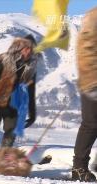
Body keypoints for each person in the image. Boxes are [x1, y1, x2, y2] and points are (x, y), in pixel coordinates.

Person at [0, 35, 37, 151]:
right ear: (20, 48)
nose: (29, 51)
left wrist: (32, 114)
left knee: (10, 133)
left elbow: (31, 91)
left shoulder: (31, 68)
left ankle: (2, 160)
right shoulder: (6, 60)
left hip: (13, 106)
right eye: (26, 48)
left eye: (32, 49)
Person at [71, 7, 97, 182]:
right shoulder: (93, 18)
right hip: (92, 79)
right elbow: (87, 49)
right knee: (91, 123)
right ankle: (79, 167)